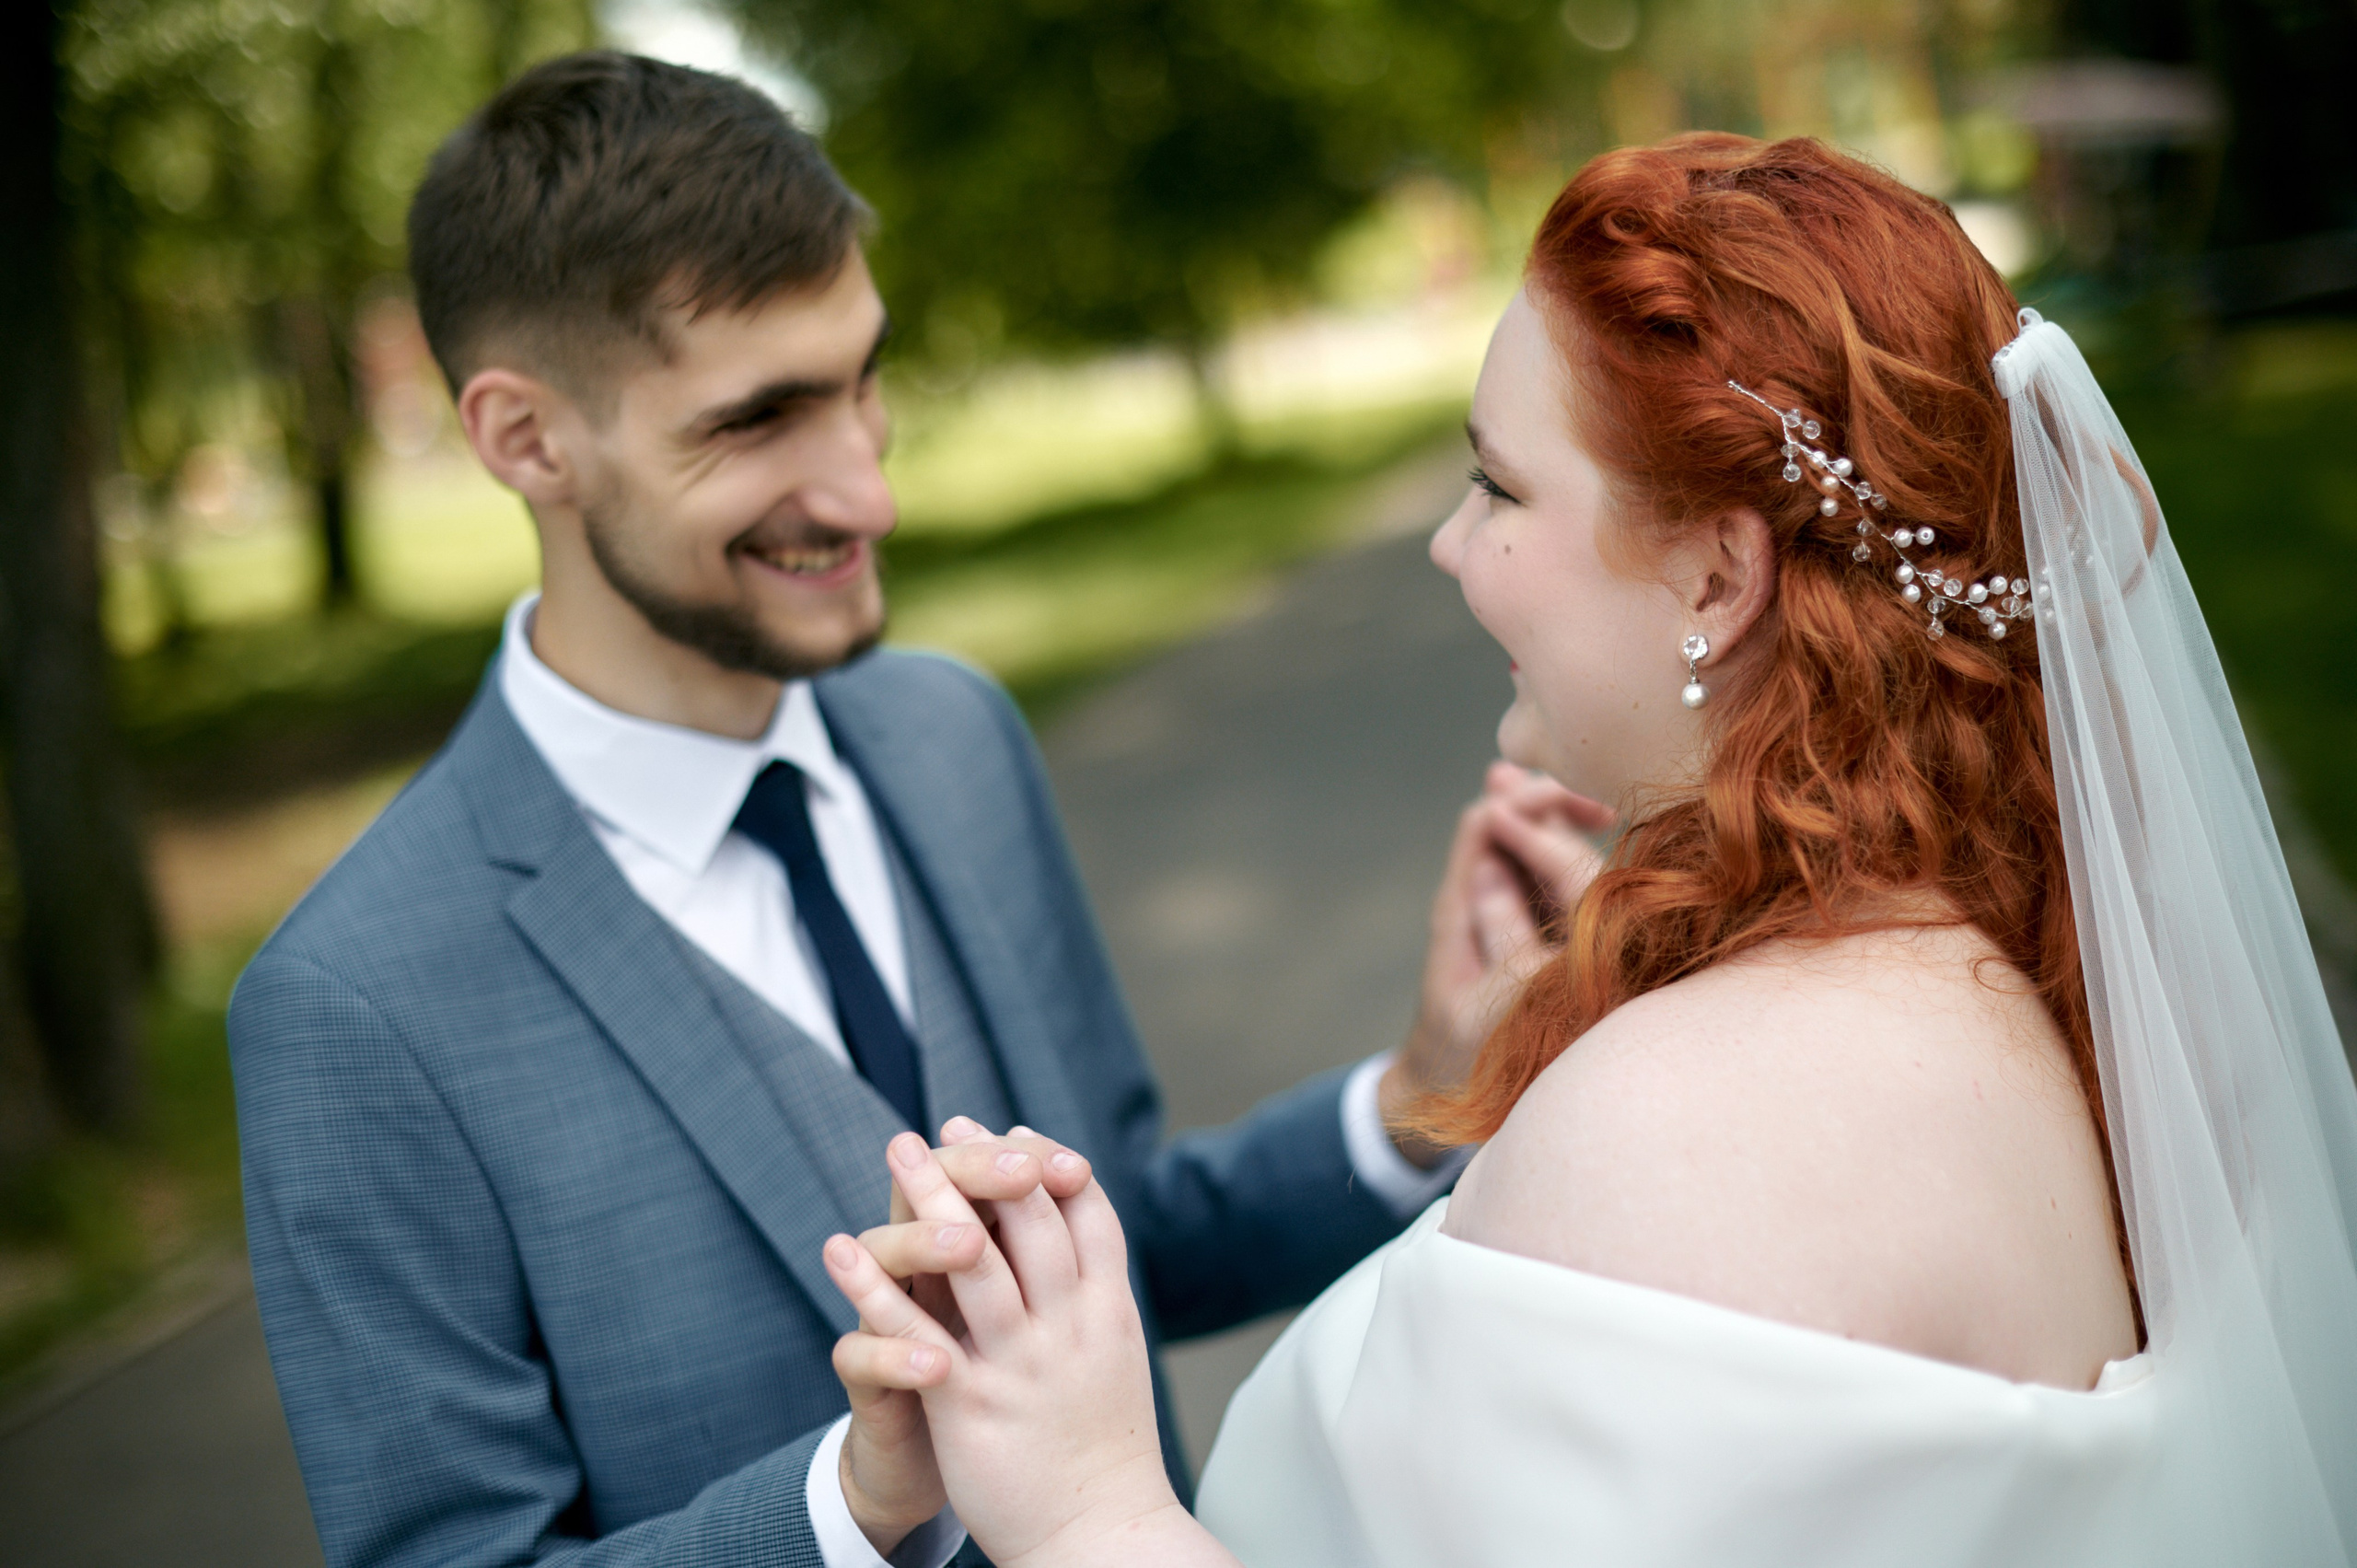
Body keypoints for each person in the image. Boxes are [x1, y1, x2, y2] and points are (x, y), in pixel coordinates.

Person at [822, 134, 2357, 1566]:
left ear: (1711, 571)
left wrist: (1089, 1504)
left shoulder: (1676, 1125)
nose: (1447, 543)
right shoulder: (2043, 980)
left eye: (1497, 484)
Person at [226, 52, 1591, 1568]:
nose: (866, 492)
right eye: (754, 423)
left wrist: (1421, 1091)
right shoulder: (353, 1010)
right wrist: (853, 1504)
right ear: (525, 440)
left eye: (861, 377)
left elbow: (1121, 1243)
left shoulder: (950, 734)